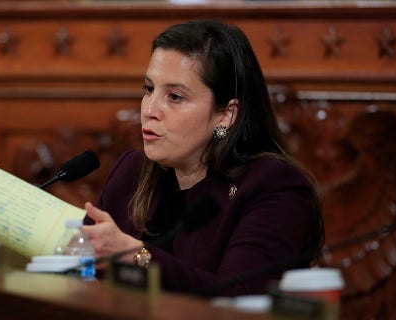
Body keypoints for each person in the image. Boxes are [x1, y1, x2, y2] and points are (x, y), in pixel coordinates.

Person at [81, 19, 324, 296]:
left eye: (174, 96)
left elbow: (238, 296)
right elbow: (84, 268)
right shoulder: (131, 172)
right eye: (149, 89)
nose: (150, 109)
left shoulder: (272, 186)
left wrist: (136, 256)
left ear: (226, 115)